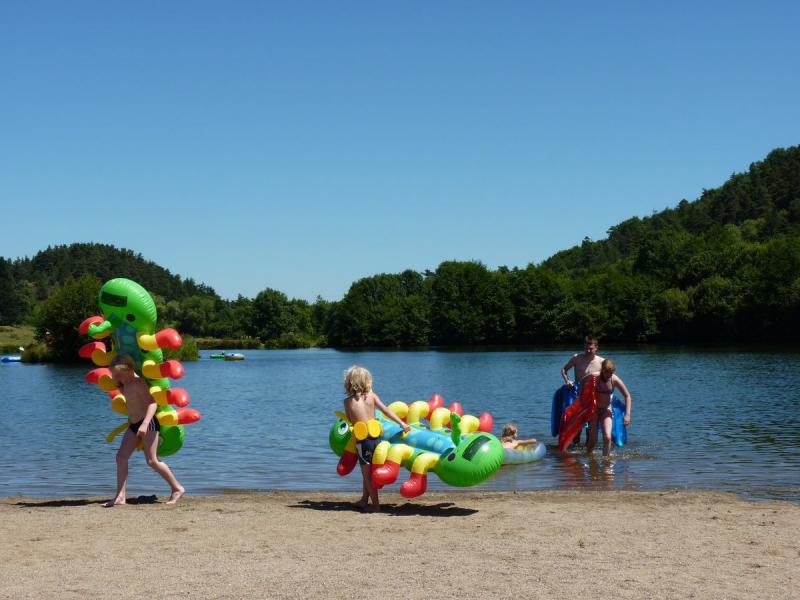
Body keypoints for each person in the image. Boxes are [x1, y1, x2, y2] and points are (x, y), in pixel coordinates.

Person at [103, 354, 185, 507]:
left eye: (119, 374)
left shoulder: (138, 383)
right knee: (121, 457)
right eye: (115, 374)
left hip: (148, 423)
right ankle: (120, 496)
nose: (117, 377)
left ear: (129, 369)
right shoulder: (124, 383)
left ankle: (177, 488)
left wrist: (145, 424)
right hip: (134, 424)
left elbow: (152, 404)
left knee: (151, 461)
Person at [343, 365, 410, 513]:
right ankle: (363, 500)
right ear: (367, 382)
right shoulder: (372, 397)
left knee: (367, 475)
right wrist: (402, 423)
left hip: (362, 442)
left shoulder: (347, 402)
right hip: (376, 439)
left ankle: (376, 506)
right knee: (367, 472)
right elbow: (386, 410)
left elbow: (350, 420)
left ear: (349, 383)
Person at [560, 335, 604, 446]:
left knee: (591, 423)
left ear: (596, 348)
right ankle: (575, 448)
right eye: (586, 348)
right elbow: (564, 370)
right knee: (576, 423)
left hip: (593, 394)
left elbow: (608, 378)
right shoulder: (577, 358)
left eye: (591, 348)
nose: (588, 350)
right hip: (577, 393)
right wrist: (567, 381)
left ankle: (588, 450)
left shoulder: (601, 362)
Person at [584, 358, 632, 457]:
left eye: (611, 373)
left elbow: (627, 396)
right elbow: (581, 382)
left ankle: (606, 461)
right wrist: (582, 399)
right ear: (602, 370)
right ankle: (589, 457)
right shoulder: (594, 376)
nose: (609, 375)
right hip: (594, 411)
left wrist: (627, 415)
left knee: (607, 437)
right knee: (593, 441)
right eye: (607, 372)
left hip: (606, 410)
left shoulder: (614, 379)